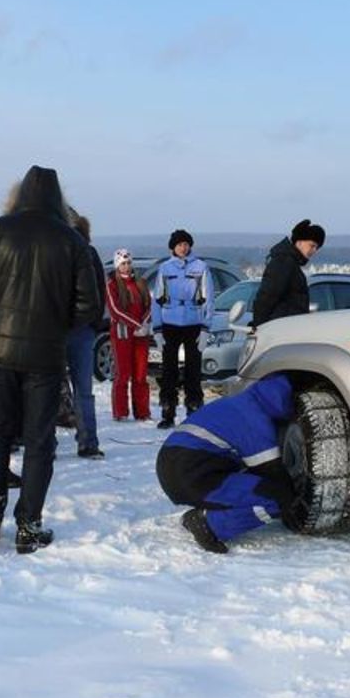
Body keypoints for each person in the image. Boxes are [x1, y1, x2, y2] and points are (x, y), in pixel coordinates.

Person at [0, 165, 100, 554]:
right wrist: (55, 330)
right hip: (45, 355)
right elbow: (89, 305)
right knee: (39, 441)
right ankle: (28, 525)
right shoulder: (71, 241)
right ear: (58, 199)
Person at [156, 373, 298, 554]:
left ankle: (211, 507)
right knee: (277, 497)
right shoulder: (256, 421)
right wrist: (294, 506)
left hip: (171, 465)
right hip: (192, 472)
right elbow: (273, 473)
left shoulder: (240, 402)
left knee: (253, 483)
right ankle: (208, 524)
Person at [150, 229, 214, 429]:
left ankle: (194, 409)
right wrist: (157, 329)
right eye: (179, 245)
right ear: (173, 248)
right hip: (170, 324)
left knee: (193, 369)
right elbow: (157, 300)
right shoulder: (165, 268)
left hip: (193, 323)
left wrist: (206, 328)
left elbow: (209, 299)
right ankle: (168, 411)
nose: (183, 248)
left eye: (186, 244)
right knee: (169, 370)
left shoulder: (200, 267)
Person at [65, 210, 107, 459]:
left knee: (54, 389)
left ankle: (85, 441)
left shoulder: (82, 252)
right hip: (77, 329)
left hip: (71, 329)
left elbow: (99, 291)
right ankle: (88, 442)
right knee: (82, 390)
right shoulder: (87, 251)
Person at [252, 218, 325, 327]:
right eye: (312, 245)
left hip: (288, 327)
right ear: (299, 242)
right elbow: (267, 297)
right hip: (279, 328)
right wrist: (259, 326)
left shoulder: (291, 264)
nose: (314, 251)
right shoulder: (284, 262)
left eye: (317, 248)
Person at [106, 248, 151, 421]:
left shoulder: (140, 282)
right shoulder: (112, 284)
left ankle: (142, 411)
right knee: (123, 373)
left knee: (140, 374)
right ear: (118, 265)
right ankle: (121, 412)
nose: (126, 266)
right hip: (122, 333)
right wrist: (135, 324)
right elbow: (115, 310)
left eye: (128, 263)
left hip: (141, 335)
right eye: (123, 264)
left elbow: (148, 304)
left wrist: (144, 321)